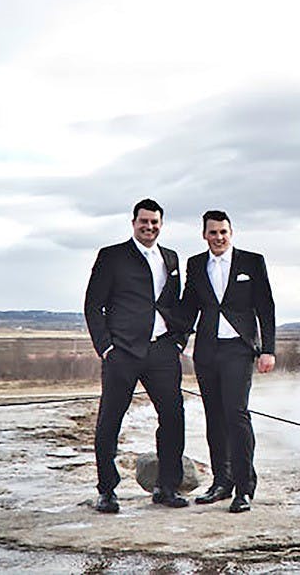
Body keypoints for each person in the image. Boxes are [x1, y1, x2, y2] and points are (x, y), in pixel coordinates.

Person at [83, 198, 191, 513]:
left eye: (155, 222)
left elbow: (175, 303)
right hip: (123, 352)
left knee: (173, 417)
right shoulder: (112, 256)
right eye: (144, 221)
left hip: (161, 350)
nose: (149, 227)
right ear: (133, 223)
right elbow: (93, 305)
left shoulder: (170, 258)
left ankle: (167, 486)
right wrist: (106, 347)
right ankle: (107, 490)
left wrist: (179, 340)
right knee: (109, 421)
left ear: (161, 224)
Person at [182, 209, 276, 513]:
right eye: (213, 232)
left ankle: (244, 487)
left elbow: (266, 307)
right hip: (207, 351)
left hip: (239, 348)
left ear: (231, 233)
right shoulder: (195, 265)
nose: (218, 237)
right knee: (214, 417)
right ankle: (222, 482)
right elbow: (188, 308)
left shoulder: (252, 262)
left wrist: (268, 349)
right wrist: (173, 338)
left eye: (223, 232)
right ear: (204, 235)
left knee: (236, 415)